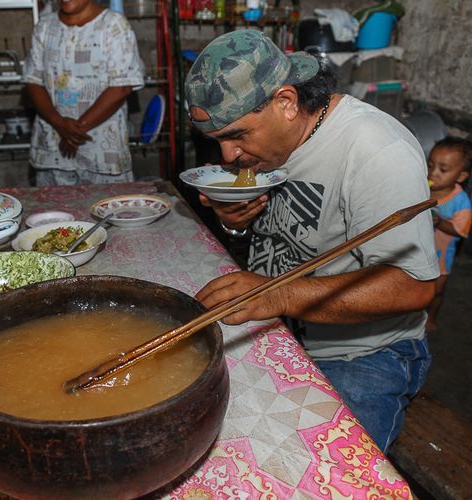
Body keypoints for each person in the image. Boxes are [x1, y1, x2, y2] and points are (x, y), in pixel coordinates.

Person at [185, 30, 438, 452]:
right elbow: (288, 238)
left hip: (363, 354)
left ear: (286, 102)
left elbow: (415, 286)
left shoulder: (377, 152)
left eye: (238, 135)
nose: (228, 157)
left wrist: (278, 296)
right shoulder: (270, 147)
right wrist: (236, 223)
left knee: (328, 468)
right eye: (219, 142)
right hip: (276, 328)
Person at [22, 0, 145, 186]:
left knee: (108, 210)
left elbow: (122, 86)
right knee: (55, 213)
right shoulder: (45, 27)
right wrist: (60, 124)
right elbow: (33, 81)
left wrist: (74, 130)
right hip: (53, 149)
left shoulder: (114, 25)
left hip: (103, 154)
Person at [425, 137, 472, 332]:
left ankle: (431, 317)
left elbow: (461, 230)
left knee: (436, 290)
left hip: (441, 255)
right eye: (431, 166)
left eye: (443, 170)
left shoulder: (461, 202)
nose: (433, 173)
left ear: (461, 176)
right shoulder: (423, 188)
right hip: (418, 248)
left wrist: (440, 223)